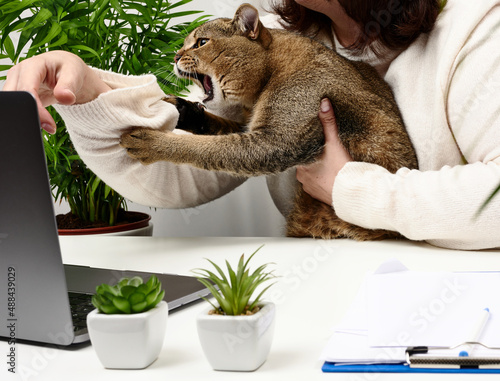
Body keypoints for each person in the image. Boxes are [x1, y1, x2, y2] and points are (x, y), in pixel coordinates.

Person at [4, 0, 500, 250]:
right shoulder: (275, 41)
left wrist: (351, 188)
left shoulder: (476, 27)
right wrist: (89, 95)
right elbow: (184, 175)